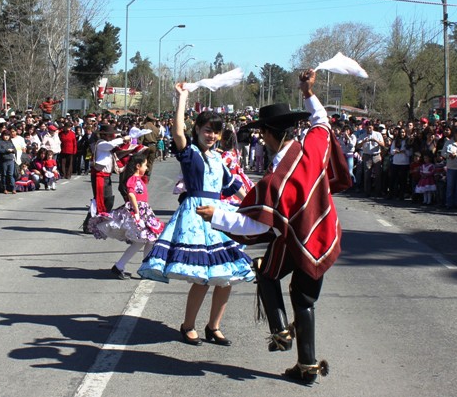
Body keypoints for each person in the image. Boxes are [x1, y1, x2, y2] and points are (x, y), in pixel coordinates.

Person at [196, 69, 346, 385]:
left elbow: (250, 223)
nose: (262, 139)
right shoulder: (313, 147)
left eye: (263, 134)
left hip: (299, 239)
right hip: (322, 234)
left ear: (269, 134)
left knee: (268, 274)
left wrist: (216, 214)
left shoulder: (277, 180)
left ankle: (281, 332)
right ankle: (305, 364)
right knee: (301, 296)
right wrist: (308, 92)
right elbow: (321, 122)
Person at [139, 82, 254, 347]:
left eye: (215, 132)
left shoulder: (219, 159)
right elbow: (178, 131)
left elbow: (234, 188)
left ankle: (214, 326)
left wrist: (256, 206)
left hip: (219, 216)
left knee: (227, 277)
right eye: (207, 130)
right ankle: (188, 325)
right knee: (203, 276)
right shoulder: (190, 154)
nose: (211, 135)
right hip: (196, 215)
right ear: (198, 131)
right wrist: (182, 98)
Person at [89, 153, 164, 279]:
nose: (147, 168)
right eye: (145, 165)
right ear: (138, 166)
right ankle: (124, 266)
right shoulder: (133, 179)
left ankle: (140, 267)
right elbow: (132, 195)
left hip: (144, 210)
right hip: (138, 211)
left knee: (151, 239)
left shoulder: (139, 179)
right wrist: (137, 212)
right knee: (143, 240)